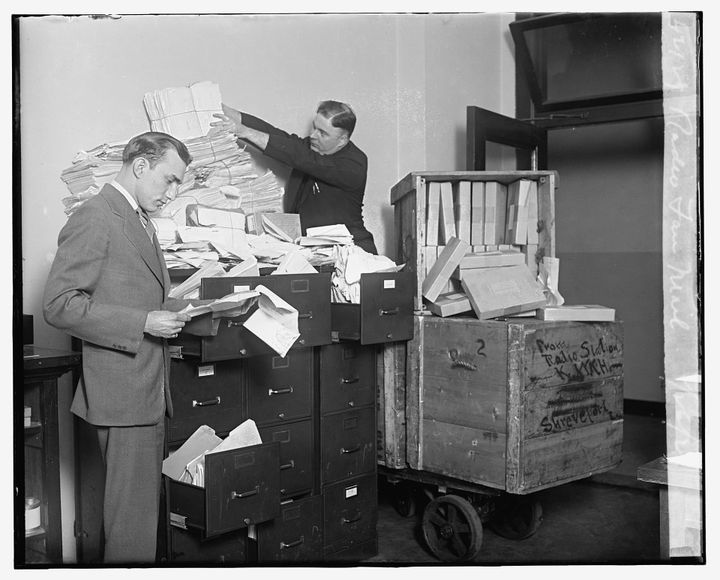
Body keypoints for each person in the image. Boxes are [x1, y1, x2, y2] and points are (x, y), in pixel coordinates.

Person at [43, 132, 195, 564]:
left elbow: (135, 296)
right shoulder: (96, 215)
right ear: (141, 166)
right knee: (131, 530)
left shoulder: (140, 220)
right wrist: (144, 321)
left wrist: (198, 306)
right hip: (122, 394)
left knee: (140, 523)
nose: (172, 192)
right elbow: (59, 304)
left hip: (145, 389)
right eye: (169, 180)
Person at [212, 100, 378, 254]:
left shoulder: (354, 164)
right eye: (314, 127)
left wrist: (245, 132)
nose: (313, 135)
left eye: (322, 133)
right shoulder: (312, 147)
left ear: (342, 140)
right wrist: (227, 112)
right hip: (315, 250)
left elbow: (301, 158)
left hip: (353, 252)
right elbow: (281, 138)